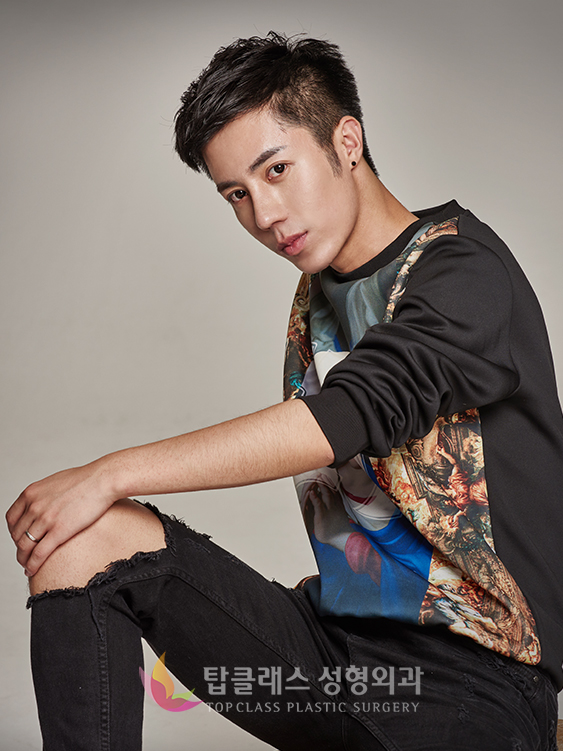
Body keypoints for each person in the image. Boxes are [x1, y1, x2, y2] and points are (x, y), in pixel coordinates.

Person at [6, 31, 562, 751]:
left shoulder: (464, 272)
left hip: (476, 679)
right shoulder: (318, 294)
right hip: (338, 652)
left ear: (346, 141)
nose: (263, 215)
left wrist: (109, 471)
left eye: (276, 170)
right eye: (236, 193)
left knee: (93, 497)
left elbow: (347, 414)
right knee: (81, 540)